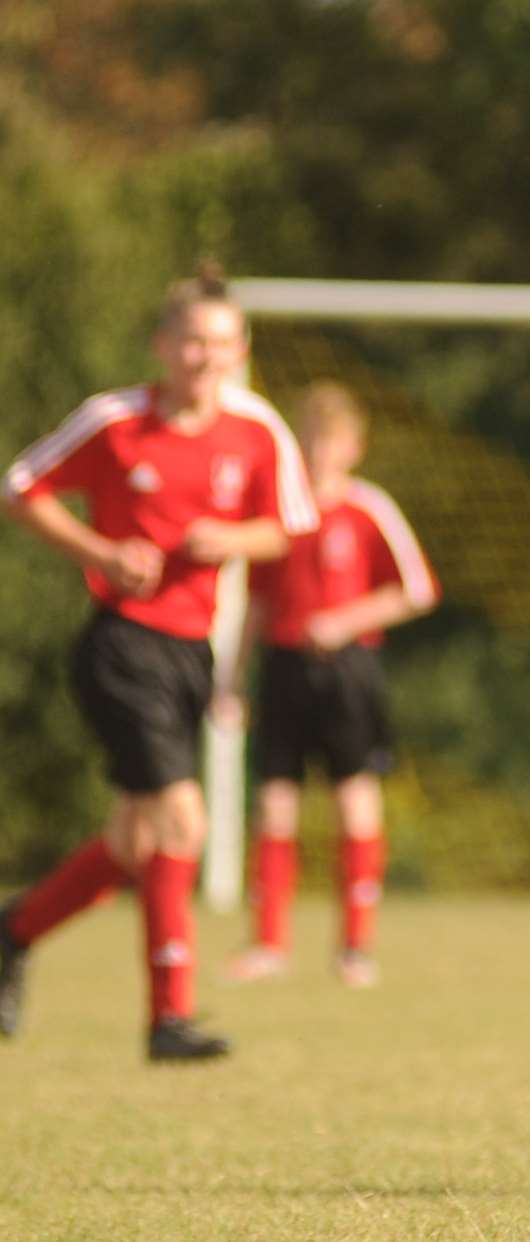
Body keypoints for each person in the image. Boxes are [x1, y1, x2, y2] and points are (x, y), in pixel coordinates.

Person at [0, 264, 318, 1061]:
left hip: (191, 651)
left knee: (134, 841)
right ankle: (169, 1017)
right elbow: (20, 485)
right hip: (120, 645)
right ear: (162, 346)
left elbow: (287, 527)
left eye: (218, 343)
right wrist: (101, 550)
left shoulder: (256, 430)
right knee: (183, 821)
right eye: (189, 342)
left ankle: (13, 930)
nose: (203, 357)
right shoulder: (115, 420)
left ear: (237, 349)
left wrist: (231, 540)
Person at [222, 381, 439, 989]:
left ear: (355, 448)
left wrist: (346, 621)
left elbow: (417, 589)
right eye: (310, 438)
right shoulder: (278, 515)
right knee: (274, 802)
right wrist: (232, 681)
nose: (320, 450)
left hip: (348, 673)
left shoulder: (370, 508)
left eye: (332, 440)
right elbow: (256, 604)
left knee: (354, 800)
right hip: (284, 668)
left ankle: (355, 949)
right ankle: (267, 945)